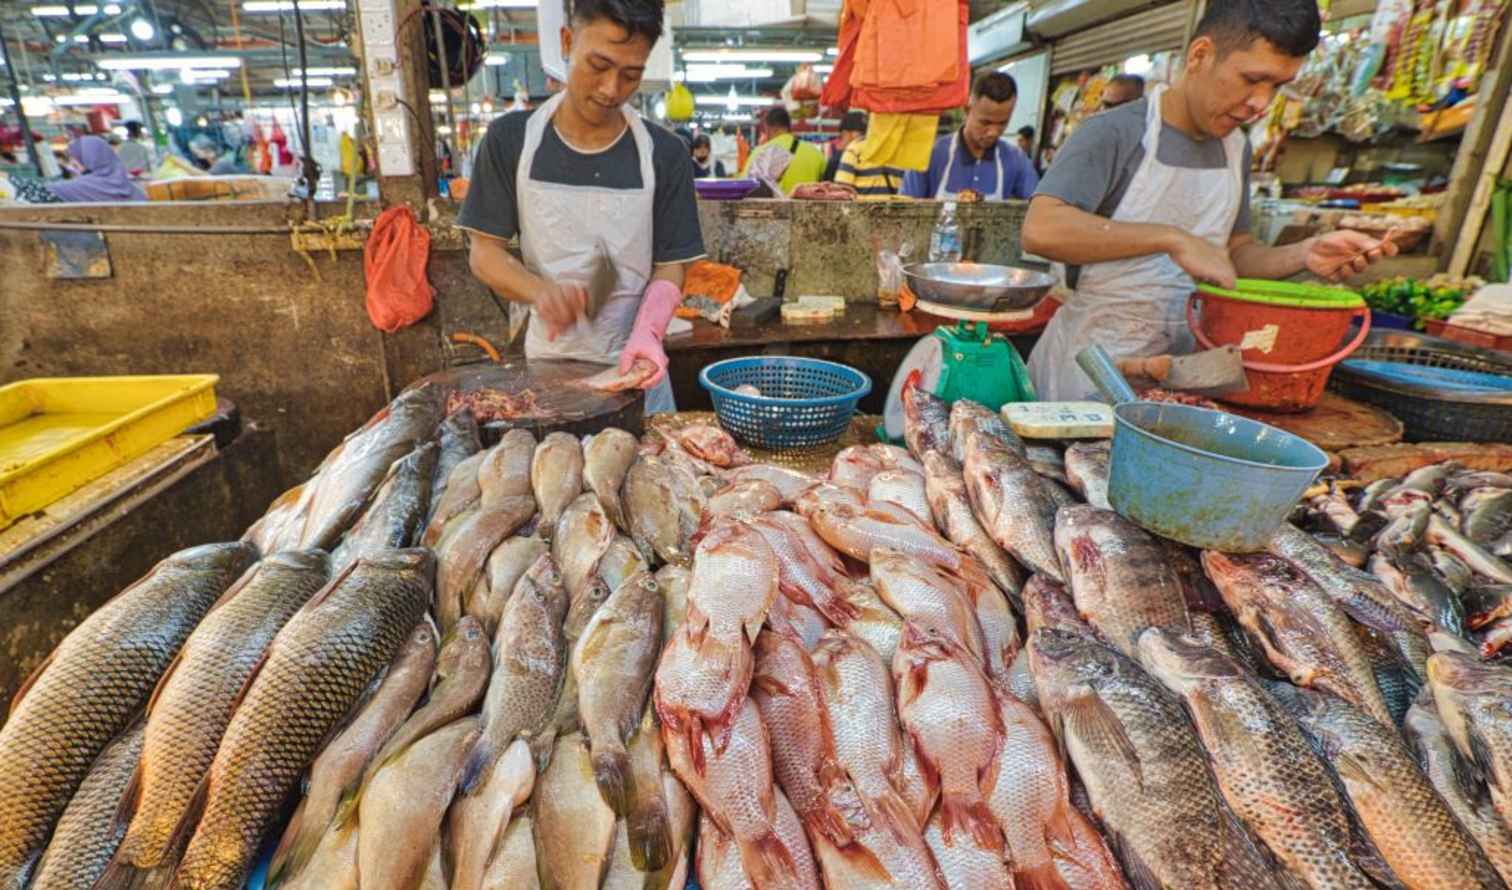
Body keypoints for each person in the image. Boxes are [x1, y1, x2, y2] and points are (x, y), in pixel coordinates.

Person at [1023, 0, 1397, 402]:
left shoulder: (1236, 149)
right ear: (1200, 55)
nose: (1261, 103)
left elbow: (1233, 255)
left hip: (1184, 372)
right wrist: (1171, 238)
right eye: (1252, 79)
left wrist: (1304, 255)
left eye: (1277, 86)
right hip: (1091, 368)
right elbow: (1041, 229)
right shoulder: (1114, 133)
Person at [458, 0, 702, 414]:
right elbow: (484, 254)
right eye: (598, 65)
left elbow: (672, 263)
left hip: (638, 370)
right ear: (567, 42)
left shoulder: (665, 153)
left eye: (631, 75)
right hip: (548, 374)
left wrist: (648, 333)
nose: (611, 89)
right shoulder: (510, 141)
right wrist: (541, 292)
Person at [901, 71, 1038, 201]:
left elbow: (1039, 208)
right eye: (986, 122)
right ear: (967, 110)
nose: (994, 132)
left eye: (1002, 123)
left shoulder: (1016, 160)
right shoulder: (929, 155)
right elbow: (904, 213)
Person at [742, 106, 825, 194]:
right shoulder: (815, 153)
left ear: (767, 128)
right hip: (809, 207)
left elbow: (745, 185)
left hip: (772, 207)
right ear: (789, 127)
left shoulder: (759, 152)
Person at [48, 135, 145, 202]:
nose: (73, 162)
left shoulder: (77, 187)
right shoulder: (133, 188)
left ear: (88, 158)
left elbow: (43, 191)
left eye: (76, 157)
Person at [822, 110, 866, 182]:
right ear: (845, 133)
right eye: (861, 133)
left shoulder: (838, 159)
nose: (864, 137)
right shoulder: (837, 160)